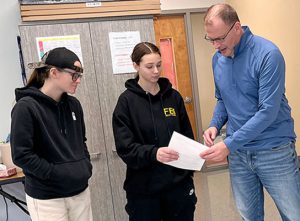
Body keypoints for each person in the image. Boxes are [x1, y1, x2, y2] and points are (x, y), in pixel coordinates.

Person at [199, 3, 300, 221]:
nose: (215, 46)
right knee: (248, 216)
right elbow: (222, 99)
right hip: (239, 155)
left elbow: (268, 112)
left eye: (220, 38)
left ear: (237, 27)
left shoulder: (268, 55)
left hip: (274, 151)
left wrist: (227, 145)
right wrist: (214, 124)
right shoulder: (218, 59)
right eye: (211, 39)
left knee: (294, 215)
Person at [112, 42, 197, 221]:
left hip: (178, 186)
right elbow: (125, 148)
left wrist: (189, 172)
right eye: (149, 66)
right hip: (144, 190)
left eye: (159, 65)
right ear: (136, 65)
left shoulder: (173, 97)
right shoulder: (126, 102)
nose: (156, 71)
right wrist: (154, 153)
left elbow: (188, 137)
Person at [10, 47, 93, 221]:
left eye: (80, 76)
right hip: (48, 198)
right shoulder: (26, 107)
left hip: (80, 192)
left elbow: (81, 141)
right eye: (74, 75)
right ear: (54, 73)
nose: (78, 81)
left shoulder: (74, 105)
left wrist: (84, 167)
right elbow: (21, 155)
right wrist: (55, 174)